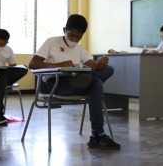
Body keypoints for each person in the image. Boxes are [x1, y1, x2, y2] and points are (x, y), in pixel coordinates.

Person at [29, 14, 120, 150]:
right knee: (96, 83)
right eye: (71, 35)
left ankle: (85, 79)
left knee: (106, 71)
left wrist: (100, 65)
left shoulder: (80, 49)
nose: (74, 39)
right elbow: (33, 64)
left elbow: (93, 65)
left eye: (79, 37)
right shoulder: (52, 42)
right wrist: (59, 65)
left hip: (75, 82)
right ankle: (98, 135)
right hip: (55, 84)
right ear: (64, 30)